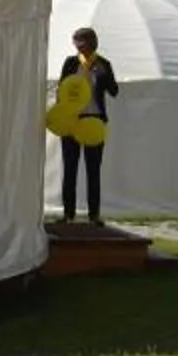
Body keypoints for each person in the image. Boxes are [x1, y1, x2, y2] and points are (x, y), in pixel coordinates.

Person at [55, 25, 120, 226]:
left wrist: (103, 75)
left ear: (91, 43)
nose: (78, 45)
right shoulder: (71, 63)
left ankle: (94, 215)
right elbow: (61, 90)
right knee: (70, 169)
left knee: (93, 170)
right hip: (72, 121)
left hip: (94, 121)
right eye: (76, 41)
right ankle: (68, 214)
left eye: (81, 41)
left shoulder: (103, 64)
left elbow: (114, 91)